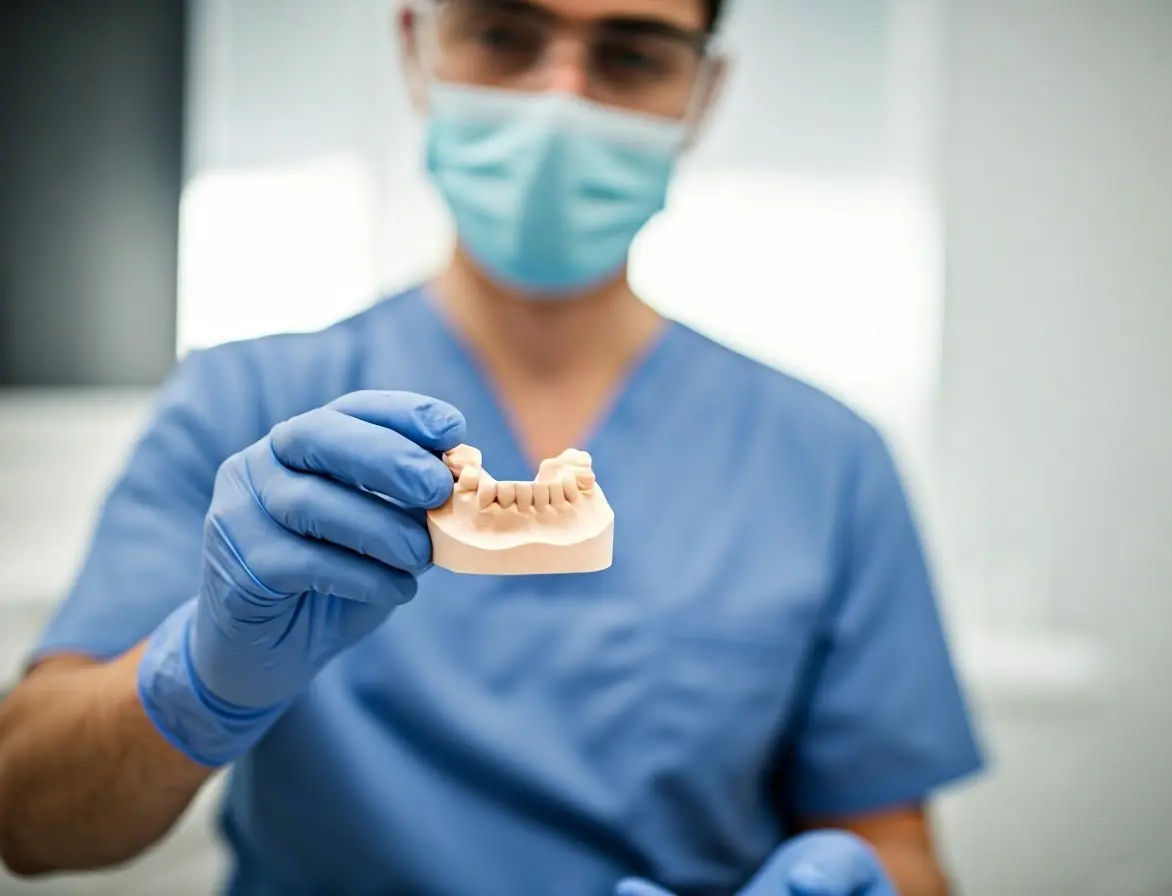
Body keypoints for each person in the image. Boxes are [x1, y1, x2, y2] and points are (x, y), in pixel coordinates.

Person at [0, 0, 985, 893]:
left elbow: (892, 841)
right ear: (417, 49)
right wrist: (197, 677)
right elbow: (25, 817)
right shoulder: (244, 402)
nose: (558, 100)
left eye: (630, 55)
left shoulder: (828, 461)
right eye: (504, 34)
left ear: (700, 91)